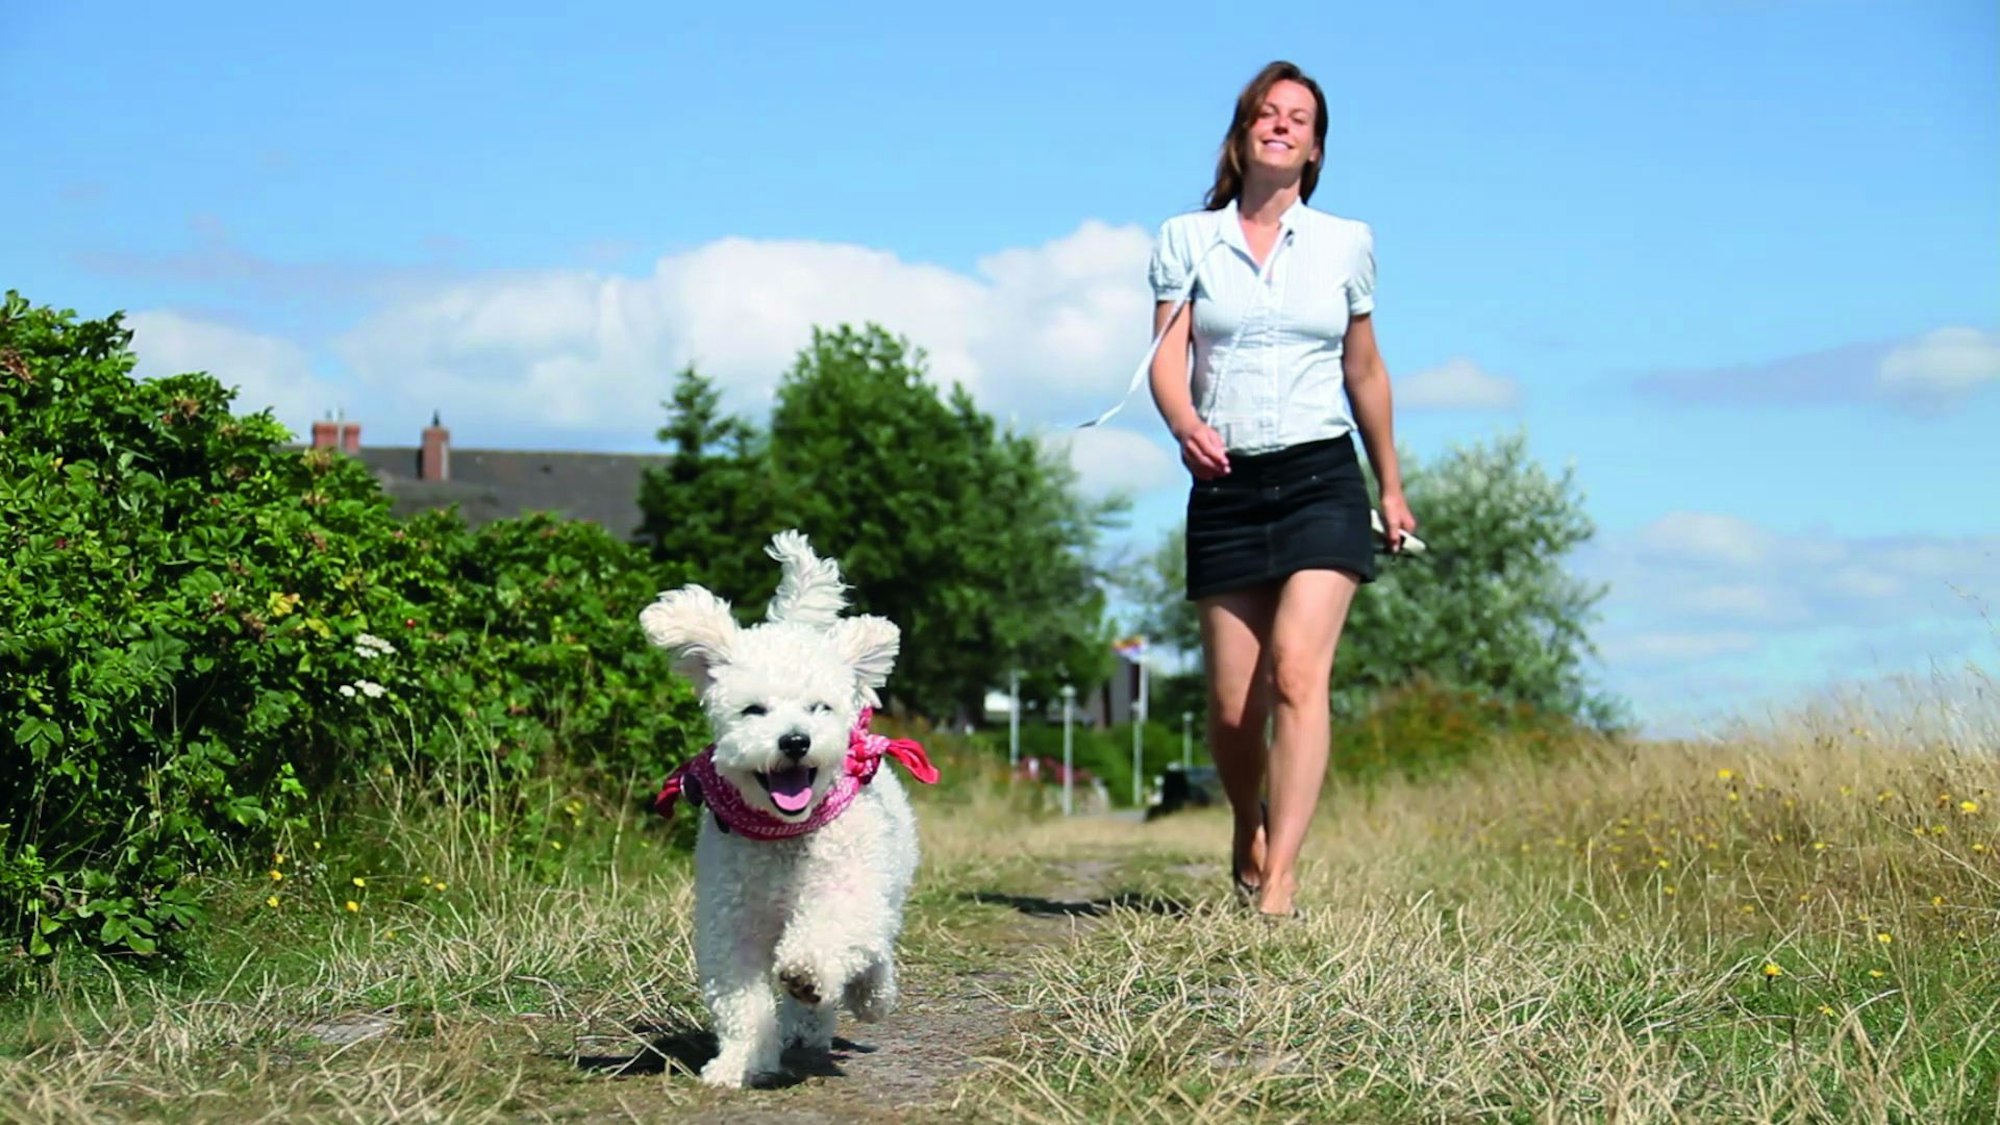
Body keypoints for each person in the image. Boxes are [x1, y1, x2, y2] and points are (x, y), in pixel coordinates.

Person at [1145, 60, 1416, 919]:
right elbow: (1166, 355)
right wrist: (1185, 422)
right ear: (1242, 133)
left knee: (1300, 672)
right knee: (1233, 707)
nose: (1282, 126)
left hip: (1321, 476)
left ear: (1316, 146)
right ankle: (1245, 823)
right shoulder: (1187, 239)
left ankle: (1282, 880)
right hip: (1226, 481)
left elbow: (1364, 368)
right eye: (1268, 114)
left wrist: (1392, 485)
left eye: (1299, 118)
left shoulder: (1346, 242)